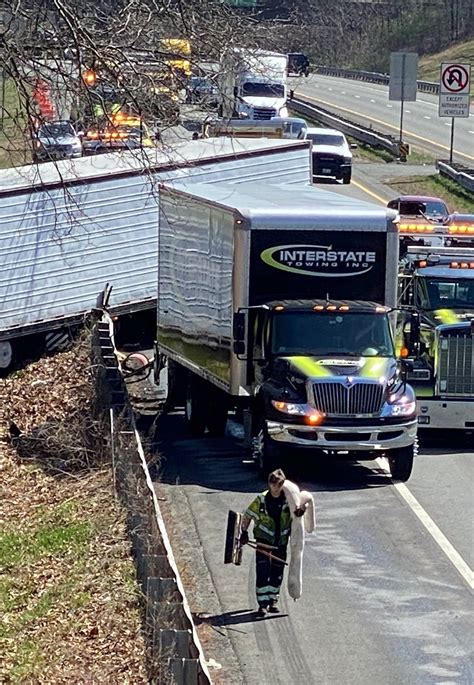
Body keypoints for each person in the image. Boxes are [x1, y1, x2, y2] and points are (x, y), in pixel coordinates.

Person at [240, 469, 304, 617]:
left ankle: (273, 601)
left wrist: (301, 511)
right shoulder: (261, 500)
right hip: (263, 541)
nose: (276, 487)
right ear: (269, 484)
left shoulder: (288, 499)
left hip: (280, 542)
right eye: (274, 484)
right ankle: (262, 604)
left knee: (277, 573)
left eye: (279, 484)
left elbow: (298, 512)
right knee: (263, 572)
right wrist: (244, 531)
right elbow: (248, 515)